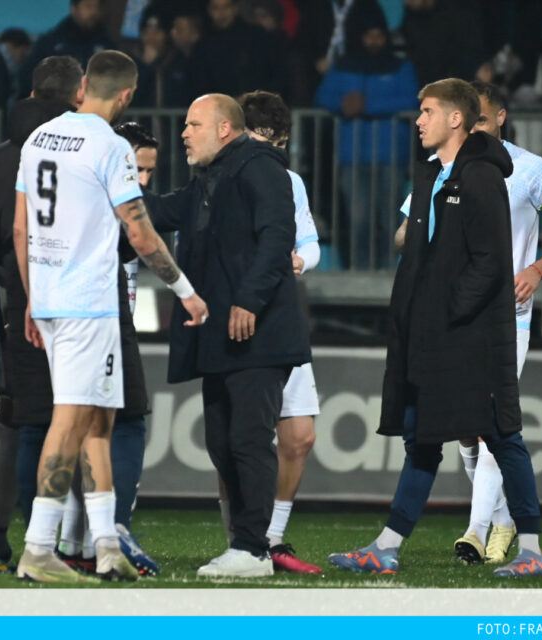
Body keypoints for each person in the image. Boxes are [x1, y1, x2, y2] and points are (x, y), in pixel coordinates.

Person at [329, 78, 542, 578]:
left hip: (472, 336)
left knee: (501, 436)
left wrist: (446, 313)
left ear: (456, 119)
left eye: (427, 111)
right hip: (430, 333)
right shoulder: (431, 174)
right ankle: (385, 547)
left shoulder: (481, 177)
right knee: (422, 439)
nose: (418, 120)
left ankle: (531, 552)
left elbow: (489, 263)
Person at [13, 50, 207, 583]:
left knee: (99, 420)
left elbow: (19, 227)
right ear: (126, 94)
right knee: (72, 419)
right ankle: (38, 546)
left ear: (83, 87)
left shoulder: (40, 138)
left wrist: (33, 296)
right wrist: (186, 291)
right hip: (87, 303)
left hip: (52, 298)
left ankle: (104, 544)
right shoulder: (110, 146)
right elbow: (140, 233)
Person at [143, 94, 310, 578]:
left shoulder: (261, 169)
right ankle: (244, 542)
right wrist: (114, 193)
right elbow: (163, 212)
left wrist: (249, 301)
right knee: (221, 443)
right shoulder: (209, 181)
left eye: (193, 124)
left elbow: (279, 236)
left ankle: (255, 549)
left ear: (224, 129)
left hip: (257, 332)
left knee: (249, 439)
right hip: (222, 335)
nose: (183, 133)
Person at [441, 81, 542, 566]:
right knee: (463, 428)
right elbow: (413, 232)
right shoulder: (445, 166)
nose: (471, 129)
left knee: (486, 425)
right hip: (453, 314)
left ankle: (475, 532)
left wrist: (537, 269)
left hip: (508, 318)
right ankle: (502, 517)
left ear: (500, 118)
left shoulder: (532, 171)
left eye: (480, 120)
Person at [0, 55, 84, 563]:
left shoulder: (0, 157)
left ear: (34, 92)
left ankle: (3, 533)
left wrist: (18, 280)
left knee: (24, 421)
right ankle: (73, 538)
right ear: (76, 95)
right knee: (86, 421)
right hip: (81, 304)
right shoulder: (83, 148)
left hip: (21, 307)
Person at [54, 121, 160, 577]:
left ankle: (69, 539)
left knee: (82, 428)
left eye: (150, 172)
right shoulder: (108, 208)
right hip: (99, 321)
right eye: (136, 168)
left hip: (84, 319)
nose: (142, 181)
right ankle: (110, 529)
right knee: (123, 422)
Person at [223, 90, 321, 574]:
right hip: (238, 317)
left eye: (274, 140)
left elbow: (309, 242)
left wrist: (301, 259)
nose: (267, 149)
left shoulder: (289, 181)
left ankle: (272, 536)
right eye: (260, 137)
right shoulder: (221, 176)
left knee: (299, 436)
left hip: (281, 313)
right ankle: (242, 536)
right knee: (241, 435)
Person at [314, 10, 418, 269]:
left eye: (378, 35)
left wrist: (366, 105)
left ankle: (384, 277)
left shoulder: (401, 66)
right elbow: (321, 97)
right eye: (369, 35)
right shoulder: (343, 65)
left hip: (390, 156)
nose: (374, 40)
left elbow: (412, 100)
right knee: (358, 221)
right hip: (352, 155)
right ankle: (359, 274)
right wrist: (343, 104)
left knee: (387, 220)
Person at [19, 0, 116, 99]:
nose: (94, 12)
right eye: (88, 6)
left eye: (97, 7)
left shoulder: (107, 44)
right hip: (54, 108)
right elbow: (28, 78)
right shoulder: (51, 43)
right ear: (74, 9)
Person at [194, 0, 287, 98]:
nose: (221, 13)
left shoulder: (257, 37)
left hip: (255, 106)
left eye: (226, 7)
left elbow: (275, 71)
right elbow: (200, 82)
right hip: (220, 108)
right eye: (216, 8)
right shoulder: (204, 46)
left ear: (235, 8)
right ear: (209, 10)